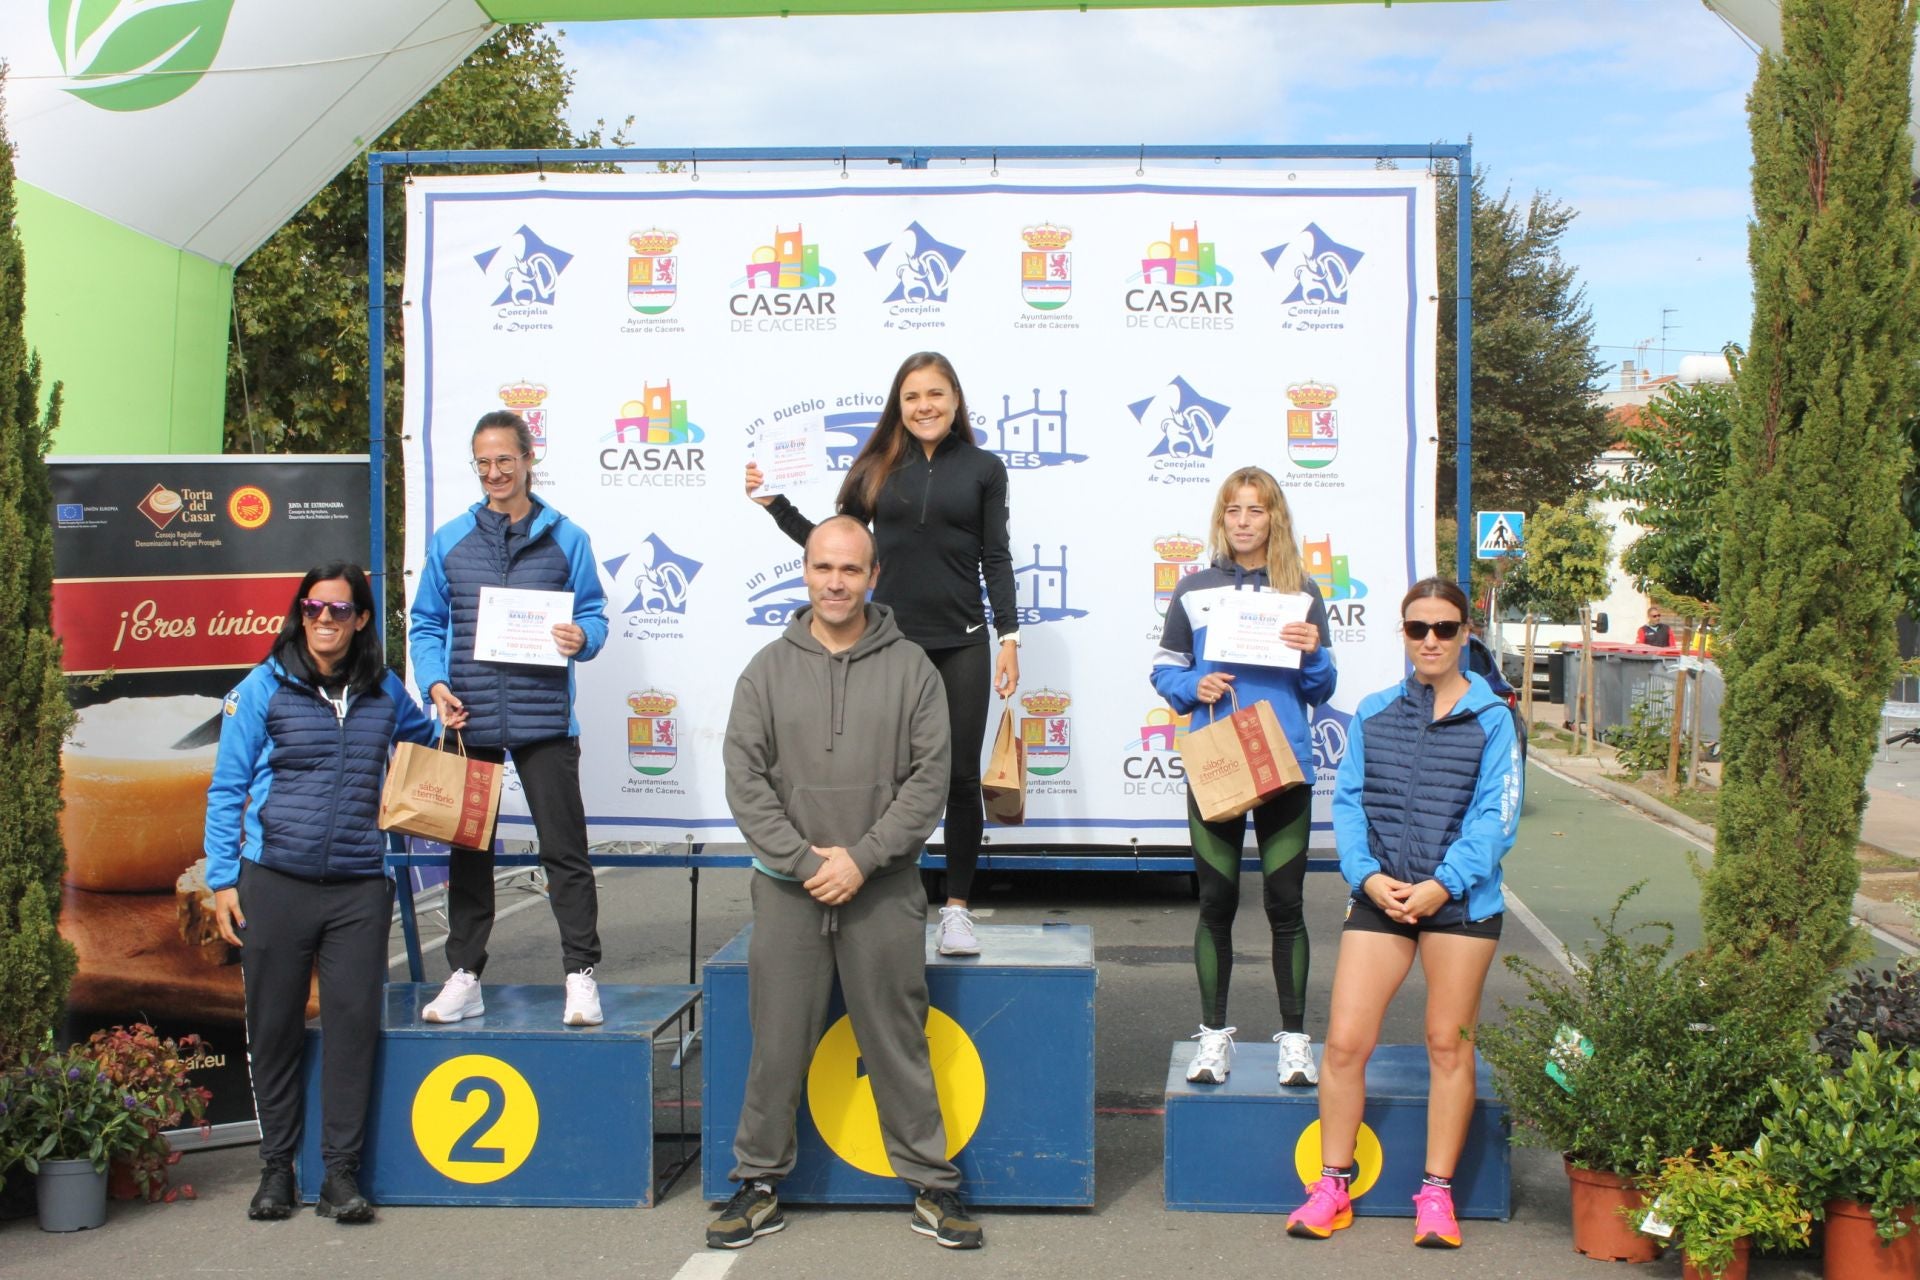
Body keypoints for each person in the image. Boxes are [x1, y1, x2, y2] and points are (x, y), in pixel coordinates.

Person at [710, 515, 983, 1251]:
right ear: (805, 571)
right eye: (824, 568)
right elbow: (745, 782)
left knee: (898, 1040)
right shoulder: (766, 670)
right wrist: (806, 863)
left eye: (851, 570)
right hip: (788, 891)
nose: (837, 582)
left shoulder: (913, 670)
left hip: (883, 889)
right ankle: (759, 1183)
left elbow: (931, 782)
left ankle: (933, 1184)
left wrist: (862, 858)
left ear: (873, 577)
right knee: (777, 1044)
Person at [745, 351, 1016, 957]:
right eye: (913, 396)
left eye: (936, 395)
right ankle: (890, 895)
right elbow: (837, 544)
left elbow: (995, 557)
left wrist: (1010, 637)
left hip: (963, 641)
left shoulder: (984, 469)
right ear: (899, 404)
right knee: (890, 781)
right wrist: (775, 506)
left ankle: (957, 909)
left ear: (955, 400)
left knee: (959, 778)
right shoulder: (876, 467)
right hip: (890, 646)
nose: (925, 406)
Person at [1285, 577, 1522, 1250]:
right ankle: (1332, 1184)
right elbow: (1350, 803)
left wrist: (1443, 885)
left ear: (1466, 633)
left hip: (1461, 904)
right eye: (1418, 628)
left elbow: (1496, 820)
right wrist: (1367, 875)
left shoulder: (1493, 718)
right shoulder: (1375, 711)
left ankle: (1437, 1194)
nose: (1431, 641)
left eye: (1445, 629)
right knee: (1344, 1044)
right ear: (1403, 632)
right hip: (1382, 897)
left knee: (1449, 1046)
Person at [203, 563, 436, 1224]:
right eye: (312, 609)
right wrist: (222, 879)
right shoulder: (263, 688)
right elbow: (227, 788)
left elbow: (428, 749)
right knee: (273, 1026)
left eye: (338, 610)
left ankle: (340, 1175)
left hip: (360, 887)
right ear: (298, 614)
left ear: (361, 618)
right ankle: (277, 1170)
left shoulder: (385, 691)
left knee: (352, 1028)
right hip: (274, 881)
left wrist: (454, 723)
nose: (324, 621)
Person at [410, 409, 610, 1026]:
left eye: (505, 459)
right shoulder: (449, 539)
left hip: (544, 717)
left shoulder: (567, 537)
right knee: (469, 853)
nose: (495, 472)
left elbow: (596, 614)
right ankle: (465, 975)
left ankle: (580, 974)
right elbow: (425, 624)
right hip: (468, 720)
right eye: (484, 462)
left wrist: (584, 636)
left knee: (564, 851)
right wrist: (436, 684)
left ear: (528, 459)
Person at [1151, 466, 1336, 1088]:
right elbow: (1165, 669)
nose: (1244, 521)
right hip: (1219, 761)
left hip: (1284, 764)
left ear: (1274, 518)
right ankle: (1212, 1036)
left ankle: (1295, 1040)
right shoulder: (1194, 589)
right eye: (1234, 510)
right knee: (1216, 902)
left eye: (1256, 510)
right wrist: (1191, 685)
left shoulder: (1302, 592)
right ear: (1222, 518)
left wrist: (1313, 652)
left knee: (1287, 905)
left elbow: (1322, 687)